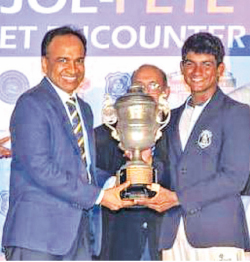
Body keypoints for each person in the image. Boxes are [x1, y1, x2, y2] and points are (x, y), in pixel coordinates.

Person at [1, 25, 134, 261]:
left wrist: (120, 180)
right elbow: (41, 168)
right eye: (63, 60)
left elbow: (82, 169)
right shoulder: (31, 104)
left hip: (78, 235)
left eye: (79, 60)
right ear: (44, 63)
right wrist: (100, 197)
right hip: (38, 238)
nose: (72, 69)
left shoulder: (83, 109)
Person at [136, 32, 250, 261]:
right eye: (190, 64)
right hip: (172, 234)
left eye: (206, 65)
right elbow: (169, 172)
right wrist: (146, 162)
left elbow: (234, 178)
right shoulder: (170, 118)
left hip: (217, 234)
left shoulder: (238, 113)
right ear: (182, 68)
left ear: (220, 69)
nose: (197, 72)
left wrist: (178, 198)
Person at [94, 64, 170, 260]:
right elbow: (88, 174)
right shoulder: (106, 134)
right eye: (138, 84)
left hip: (163, 242)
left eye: (153, 85)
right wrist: (114, 182)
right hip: (119, 242)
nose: (144, 90)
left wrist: (152, 164)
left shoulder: (176, 133)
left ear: (165, 93)